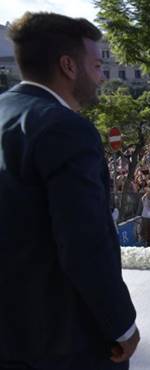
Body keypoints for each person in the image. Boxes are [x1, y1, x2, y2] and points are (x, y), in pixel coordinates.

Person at [0, 12, 139, 369]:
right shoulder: (65, 128)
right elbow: (83, 242)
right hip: (63, 337)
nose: (103, 77)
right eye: (96, 65)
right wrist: (121, 324)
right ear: (68, 66)